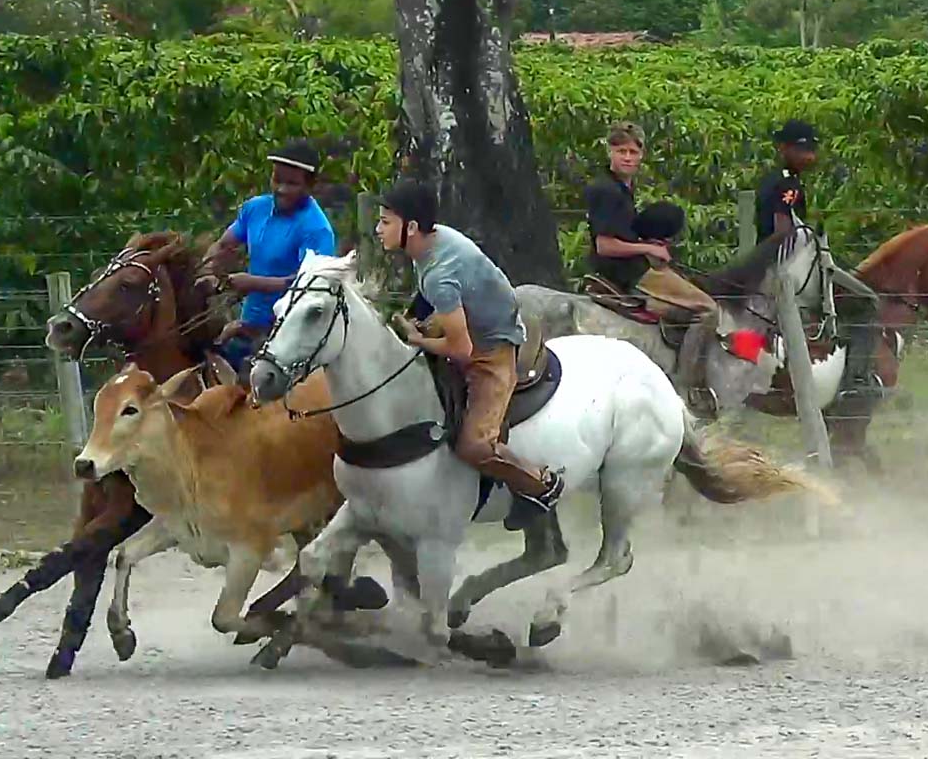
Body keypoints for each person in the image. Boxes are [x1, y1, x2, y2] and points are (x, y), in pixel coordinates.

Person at [376, 178, 565, 530]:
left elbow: (461, 351)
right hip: (470, 321)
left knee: (475, 447)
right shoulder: (433, 242)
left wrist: (419, 341)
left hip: (491, 350)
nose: (378, 228)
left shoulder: (440, 276)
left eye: (386, 221)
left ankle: (541, 485)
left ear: (411, 227)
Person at [583, 120, 722, 418]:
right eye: (621, 150)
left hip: (637, 264)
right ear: (609, 151)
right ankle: (689, 388)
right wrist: (648, 249)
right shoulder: (605, 190)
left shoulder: (622, 188)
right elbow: (605, 245)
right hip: (626, 273)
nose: (628, 157)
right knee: (708, 310)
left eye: (633, 152)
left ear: (642, 155)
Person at [757, 119, 883, 402]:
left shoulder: (778, 178)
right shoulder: (787, 183)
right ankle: (857, 379)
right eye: (802, 149)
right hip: (790, 265)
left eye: (812, 149)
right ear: (783, 148)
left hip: (783, 260)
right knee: (866, 302)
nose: (810, 155)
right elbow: (782, 225)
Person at [200, 141, 337, 373]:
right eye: (277, 180)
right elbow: (223, 245)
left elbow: (308, 286)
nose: (281, 189)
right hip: (247, 325)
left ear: (310, 185)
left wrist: (252, 283)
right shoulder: (255, 209)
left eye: (292, 183)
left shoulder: (317, 229)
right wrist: (208, 272)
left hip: (288, 339)